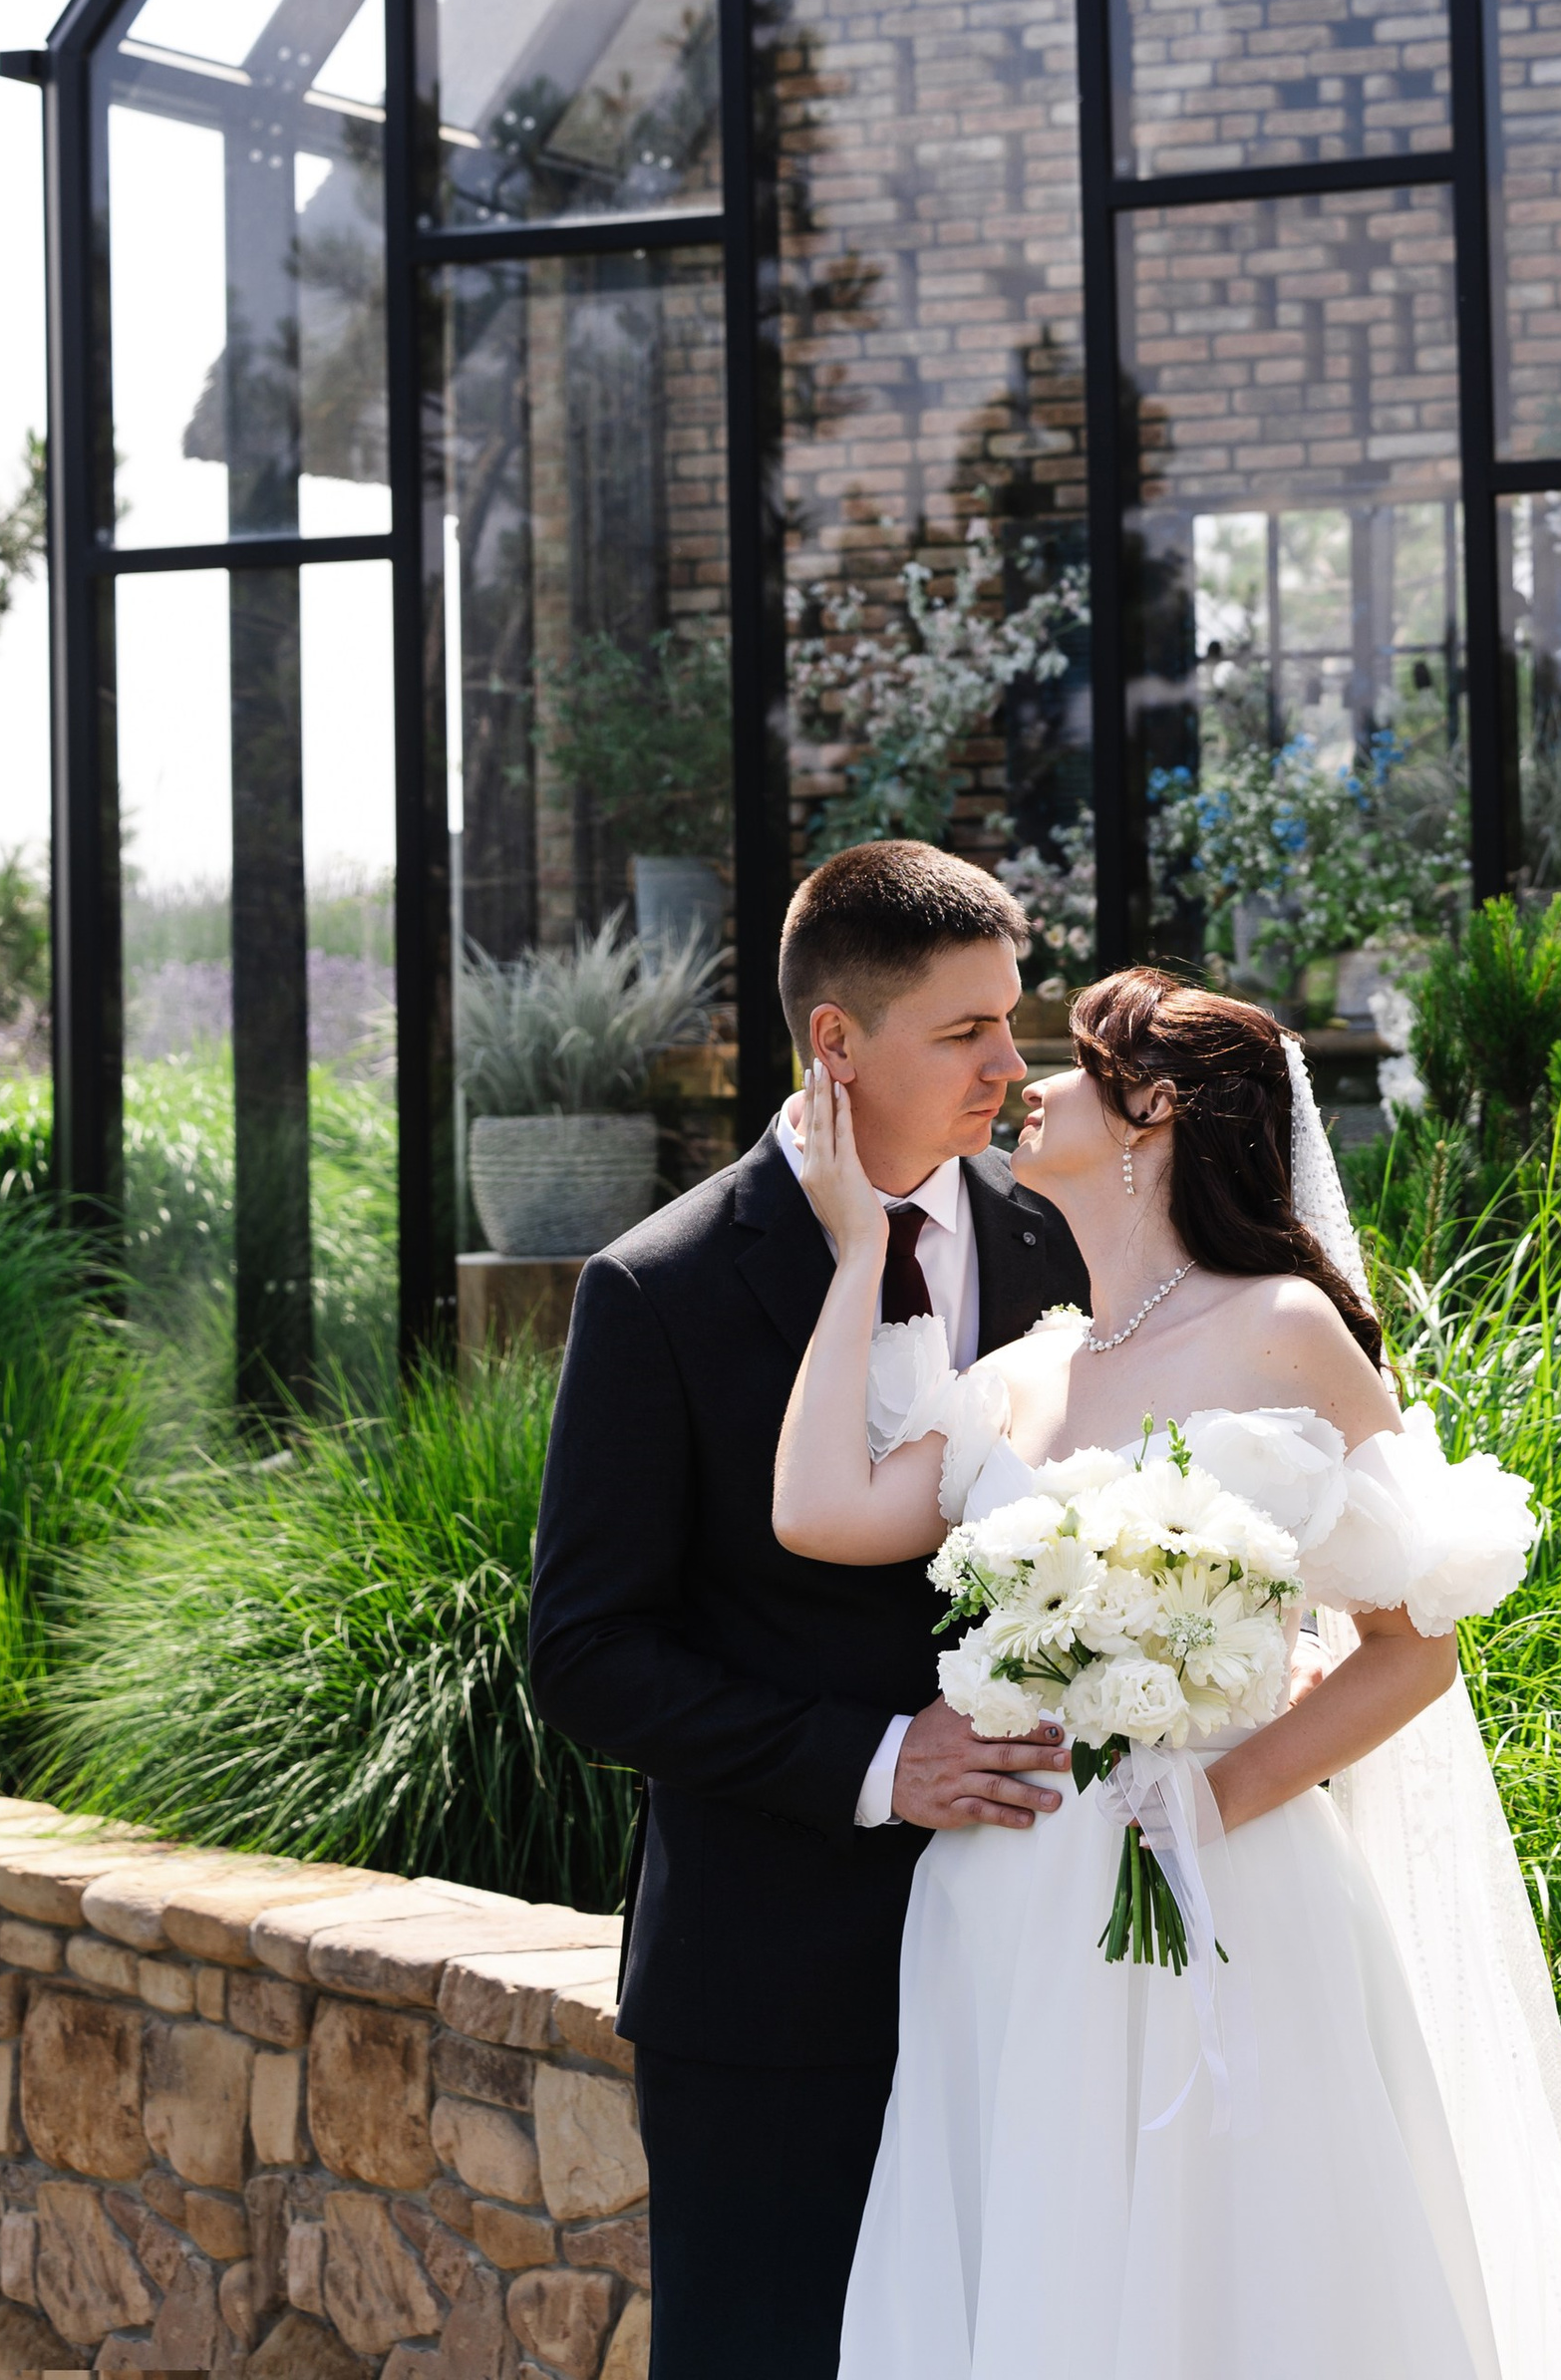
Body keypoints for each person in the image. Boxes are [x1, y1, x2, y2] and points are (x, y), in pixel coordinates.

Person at [774, 966, 1561, 2380]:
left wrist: (1211, 1803)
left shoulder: (1283, 1330)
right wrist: (858, 1254)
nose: (1024, 1082)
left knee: (1235, 2288)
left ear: (1151, 1108)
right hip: (1006, 1901)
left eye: (1067, 1060)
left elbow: (1414, 1648)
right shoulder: (1025, 1375)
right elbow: (816, 1511)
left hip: (1219, 1889)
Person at [528, 842, 1087, 2380]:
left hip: (1033, 1967)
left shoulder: (1057, 1245)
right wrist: (871, 1760)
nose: (1009, 1065)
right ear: (835, 1042)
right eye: (964, 1032)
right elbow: (584, 1654)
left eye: (1011, 1018)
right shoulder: (662, 1288)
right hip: (773, 1995)